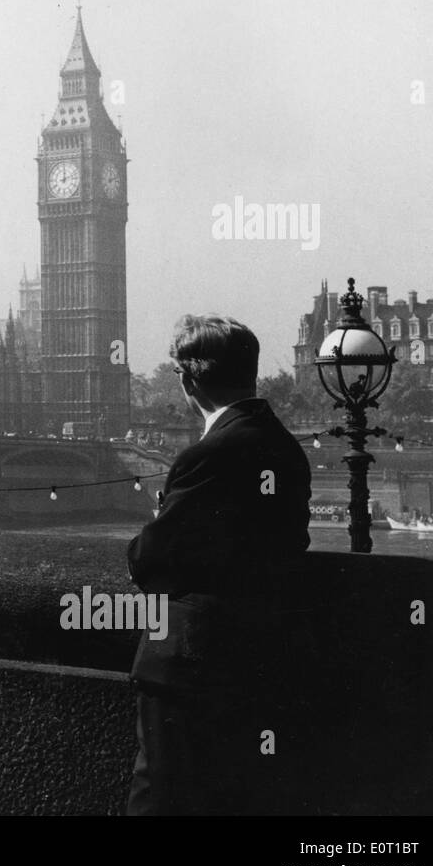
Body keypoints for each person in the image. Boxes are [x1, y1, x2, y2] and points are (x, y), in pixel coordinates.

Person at [125, 314, 311, 815]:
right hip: (261, 654)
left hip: (189, 664)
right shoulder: (286, 448)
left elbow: (150, 560)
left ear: (189, 381)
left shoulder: (208, 453)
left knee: (161, 795)